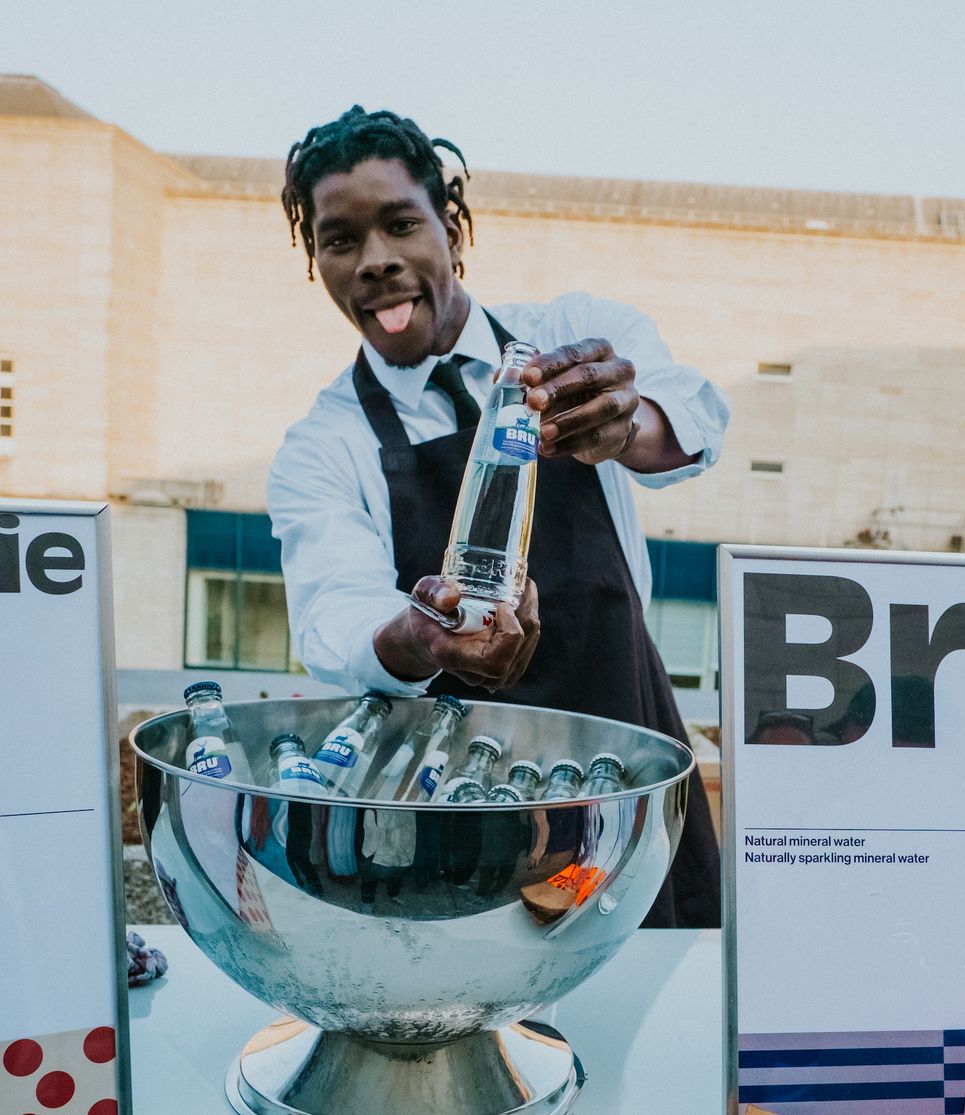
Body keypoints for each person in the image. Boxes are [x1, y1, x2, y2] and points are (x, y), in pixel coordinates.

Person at [268, 107, 728, 928]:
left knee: (654, 1021)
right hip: (455, 811)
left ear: (450, 225)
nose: (375, 261)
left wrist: (625, 423)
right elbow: (333, 613)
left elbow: (691, 419)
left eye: (401, 224)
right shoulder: (324, 443)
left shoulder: (567, 336)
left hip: (623, 773)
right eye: (340, 240)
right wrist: (420, 636)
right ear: (319, 262)